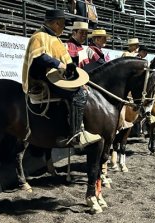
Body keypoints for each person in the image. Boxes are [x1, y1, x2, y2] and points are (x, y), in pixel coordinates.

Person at [22, 9, 100, 148]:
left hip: (54, 75)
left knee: (80, 89)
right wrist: (60, 65)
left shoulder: (53, 37)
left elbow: (65, 61)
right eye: (63, 24)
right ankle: (75, 135)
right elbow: (40, 57)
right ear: (56, 23)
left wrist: (74, 75)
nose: (64, 28)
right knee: (79, 95)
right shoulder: (39, 36)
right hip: (42, 78)